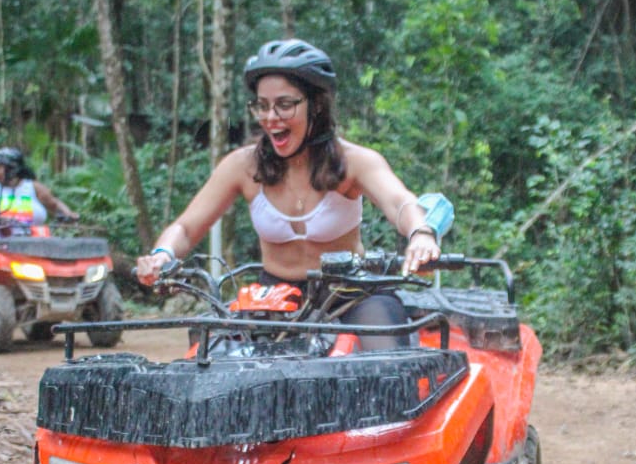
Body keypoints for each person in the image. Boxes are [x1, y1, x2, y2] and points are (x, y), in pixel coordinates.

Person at [136, 39, 441, 346]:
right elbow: (186, 227)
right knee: (210, 353)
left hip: (348, 294)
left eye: (284, 104)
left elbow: (400, 202)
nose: (271, 117)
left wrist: (421, 233)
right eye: (262, 105)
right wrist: (162, 255)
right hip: (273, 299)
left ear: (316, 105)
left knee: (388, 356)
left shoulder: (355, 162)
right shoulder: (243, 166)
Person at [0, 147, 78, 247]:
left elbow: (54, 204)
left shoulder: (34, 187)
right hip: (0, 241)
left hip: (34, 241)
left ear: (12, 169)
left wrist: (68, 213)